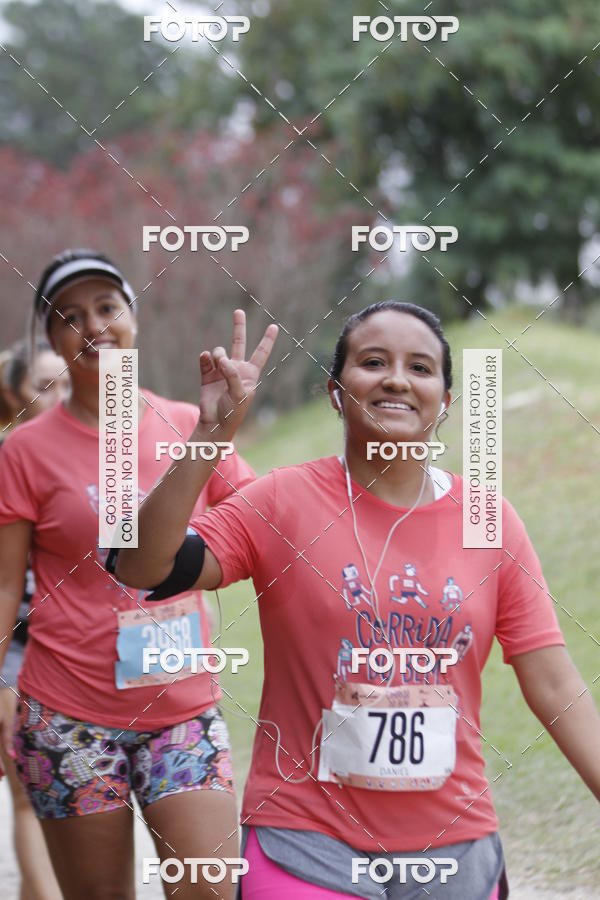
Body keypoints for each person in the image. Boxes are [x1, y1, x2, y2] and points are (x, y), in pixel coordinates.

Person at [116, 301, 600, 899]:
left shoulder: (488, 520)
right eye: (374, 362)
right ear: (336, 390)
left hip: (454, 848)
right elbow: (141, 564)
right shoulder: (282, 501)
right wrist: (210, 438)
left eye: (420, 368)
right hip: (305, 842)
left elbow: (553, 683)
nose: (397, 378)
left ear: (444, 401)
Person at [0, 249, 257, 900]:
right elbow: (5, 588)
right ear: (52, 340)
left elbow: (261, 529)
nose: (94, 326)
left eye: (107, 307)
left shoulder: (186, 422)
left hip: (182, 712)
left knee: (208, 890)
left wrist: (223, 425)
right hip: (66, 715)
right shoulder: (23, 452)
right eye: (70, 316)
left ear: (133, 317)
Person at [0, 337, 68, 900]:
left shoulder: (108, 459)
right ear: (13, 395)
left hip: (87, 656)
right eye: (45, 386)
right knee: (27, 794)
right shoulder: (8, 462)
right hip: (17, 652)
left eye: (67, 382)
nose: (61, 397)